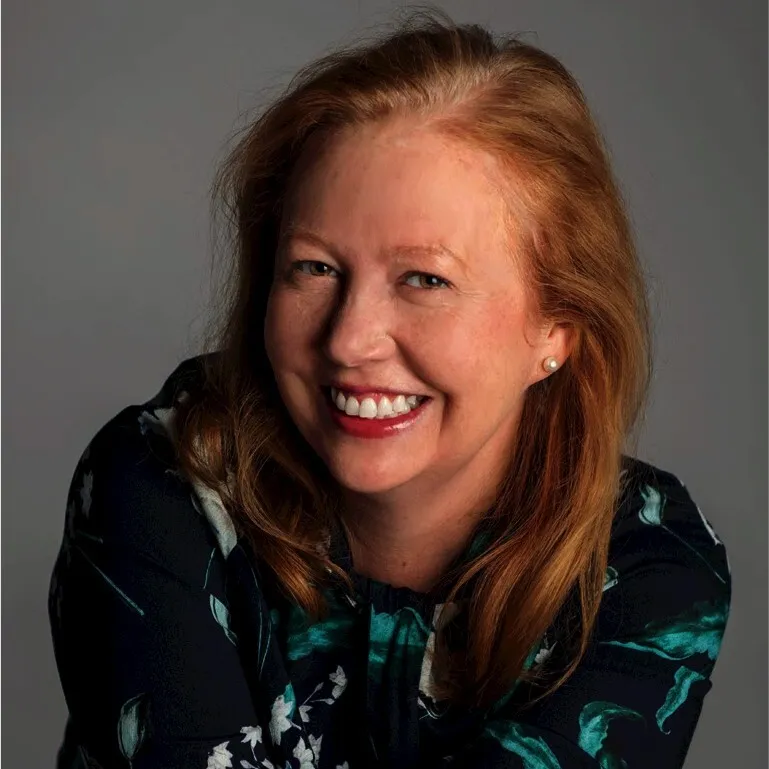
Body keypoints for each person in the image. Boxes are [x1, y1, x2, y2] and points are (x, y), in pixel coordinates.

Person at [48, 11, 731, 769]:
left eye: (424, 279)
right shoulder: (159, 480)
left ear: (555, 330)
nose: (348, 340)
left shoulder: (644, 569)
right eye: (313, 267)